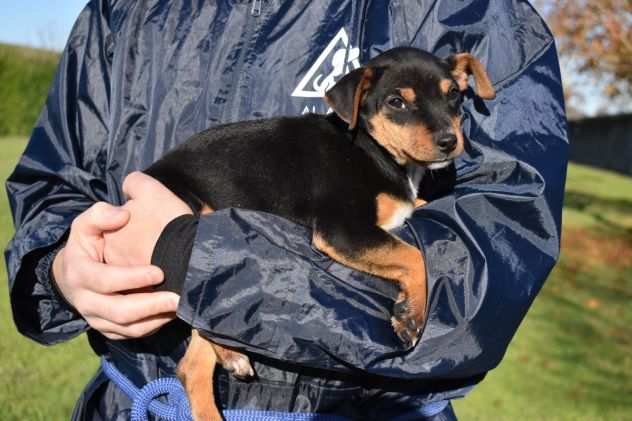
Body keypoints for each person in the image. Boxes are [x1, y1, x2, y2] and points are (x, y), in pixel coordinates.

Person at [5, 0, 568, 419]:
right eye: (401, 108)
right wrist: (60, 268)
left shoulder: (466, 14)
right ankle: (200, 381)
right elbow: (54, 186)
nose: (443, 131)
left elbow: (500, 251)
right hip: (135, 399)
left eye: (452, 102)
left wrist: (190, 256)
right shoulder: (122, 13)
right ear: (359, 107)